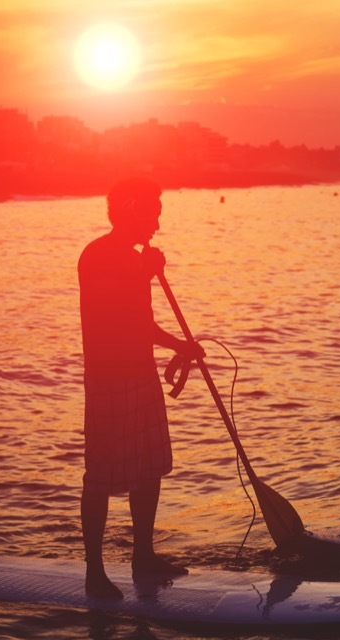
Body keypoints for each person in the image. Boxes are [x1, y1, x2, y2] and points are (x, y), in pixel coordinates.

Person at [78, 177, 204, 599]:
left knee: (149, 468)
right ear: (130, 212)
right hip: (110, 380)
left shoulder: (133, 261)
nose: (155, 226)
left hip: (141, 373)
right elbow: (113, 316)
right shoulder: (97, 256)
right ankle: (95, 572)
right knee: (101, 476)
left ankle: (143, 555)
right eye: (151, 216)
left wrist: (181, 346)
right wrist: (145, 272)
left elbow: (143, 324)